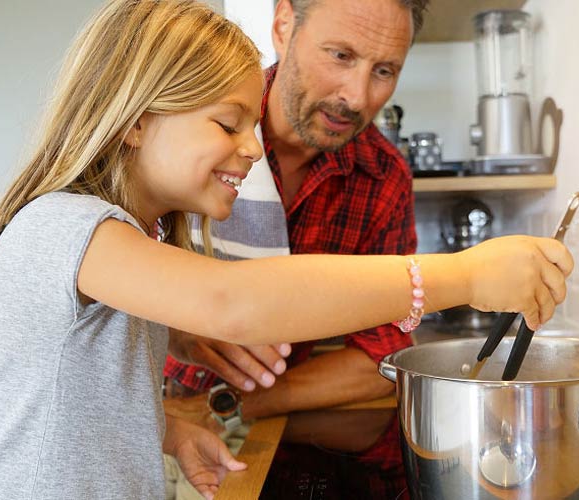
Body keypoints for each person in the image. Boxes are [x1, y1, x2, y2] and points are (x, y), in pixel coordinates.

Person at [0, 0, 573, 499]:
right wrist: (461, 273)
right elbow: (231, 301)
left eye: (383, 70)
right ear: (133, 120)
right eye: (226, 123)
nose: (251, 146)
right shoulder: (64, 226)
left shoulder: (132, 236)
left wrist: (161, 427)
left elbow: (75, 394)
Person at [162, 0, 429, 435]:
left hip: (272, 425)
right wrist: (172, 326)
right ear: (284, 26)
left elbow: (385, 354)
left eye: (384, 71)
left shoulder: (382, 177)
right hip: (161, 415)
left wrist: (236, 404)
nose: (356, 97)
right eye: (340, 55)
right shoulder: (189, 121)